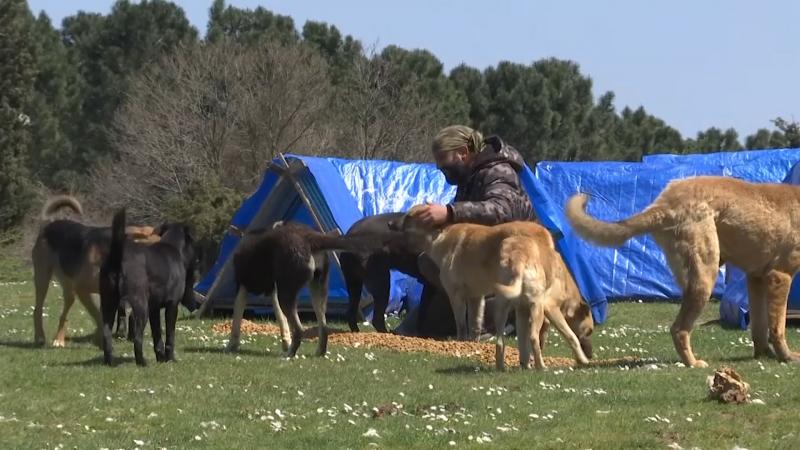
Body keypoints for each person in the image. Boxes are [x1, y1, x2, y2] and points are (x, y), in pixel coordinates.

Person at [398, 125, 536, 337]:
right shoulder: (472, 176)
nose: (440, 167)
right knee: (429, 261)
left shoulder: (498, 171)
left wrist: (450, 212)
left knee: (440, 268)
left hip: (511, 257)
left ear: (463, 153)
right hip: (485, 253)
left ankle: (493, 321)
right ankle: (433, 324)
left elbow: (502, 210)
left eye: (444, 159)